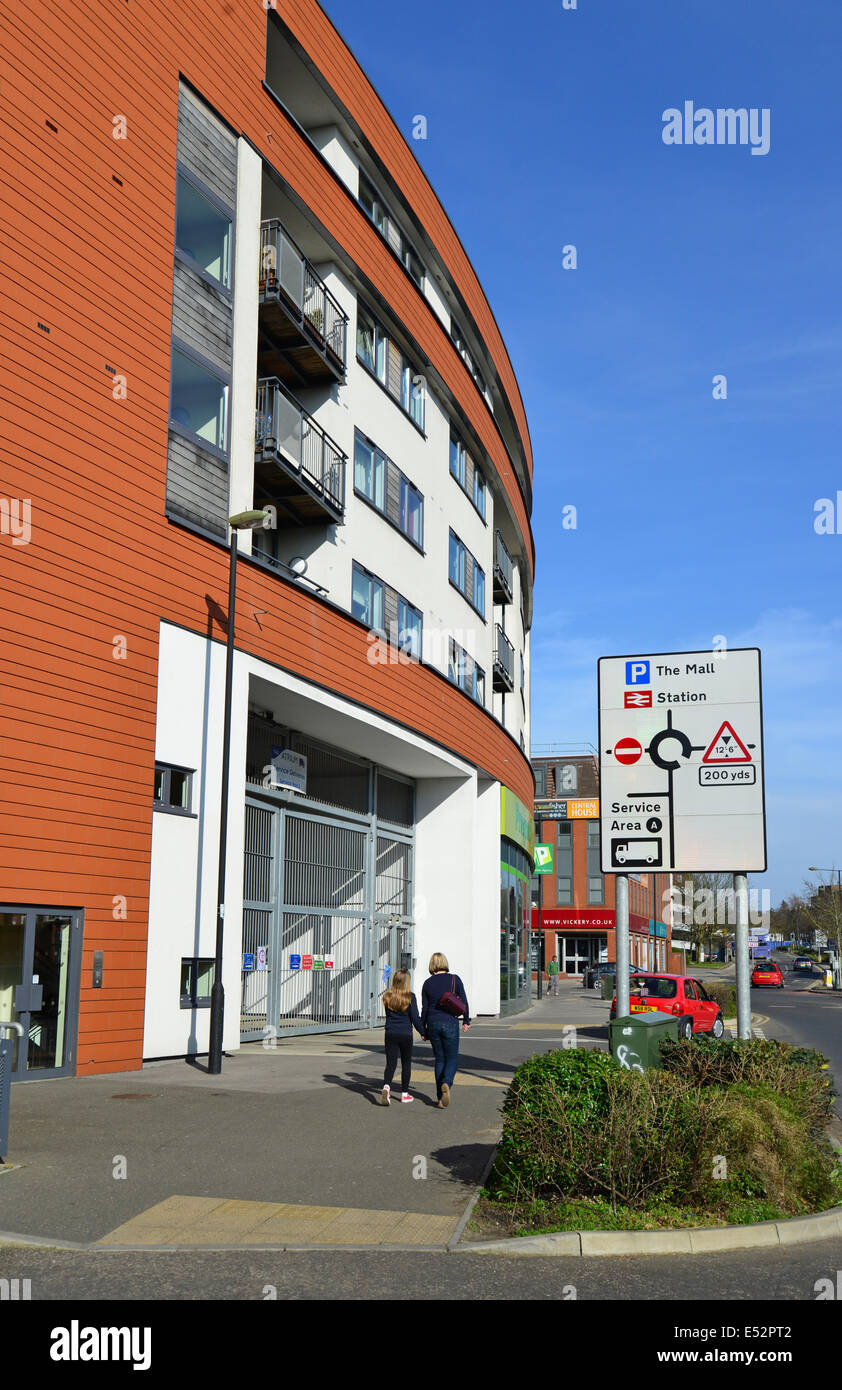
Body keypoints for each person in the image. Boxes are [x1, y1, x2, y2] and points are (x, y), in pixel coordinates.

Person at [421, 952, 470, 1108]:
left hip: (433, 1023)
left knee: (440, 1060)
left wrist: (423, 1030)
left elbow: (425, 1009)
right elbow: (464, 1002)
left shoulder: (427, 983)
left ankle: (440, 1099)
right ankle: (447, 1082)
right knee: (452, 1058)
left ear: (432, 965)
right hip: (450, 1022)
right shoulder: (455, 979)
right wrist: (466, 1021)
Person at [380, 969, 425, 1105]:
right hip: (405, 1033)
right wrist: (423, 1032)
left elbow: (389, 1016)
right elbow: (415, 1018)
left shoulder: (387, 996)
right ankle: (405, 1094)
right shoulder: (410, 997)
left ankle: (386, 1087)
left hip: (390, 1033)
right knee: (406, 1064)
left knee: (391, 1063)